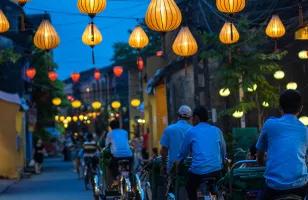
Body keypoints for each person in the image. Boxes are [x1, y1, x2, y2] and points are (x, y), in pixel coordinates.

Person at [256, 90, 308, 200]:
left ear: (280, 108)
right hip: (301, 187)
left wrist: (262, 161)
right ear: (300, 108)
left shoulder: (270, 124)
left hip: (274, 188)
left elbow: (259, 156)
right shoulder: (305, 130)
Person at [177, 106, 226, 200]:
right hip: (216, 170)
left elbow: (182, 154)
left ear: (197, 118)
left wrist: (178, 164)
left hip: (198, 172)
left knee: (190, 187)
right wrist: (222, 163)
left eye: (192, 118)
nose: (191, 121)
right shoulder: (217, 130)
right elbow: (223, 151)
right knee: (220, 188)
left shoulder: (191, 131)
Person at [160, 105, 193, 173]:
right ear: (190, 118)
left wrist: (163, 165)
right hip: (190, 166)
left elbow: (164, 151)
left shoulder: (169, 129)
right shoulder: (193, 130)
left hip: (173, 167)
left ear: (178, 115)